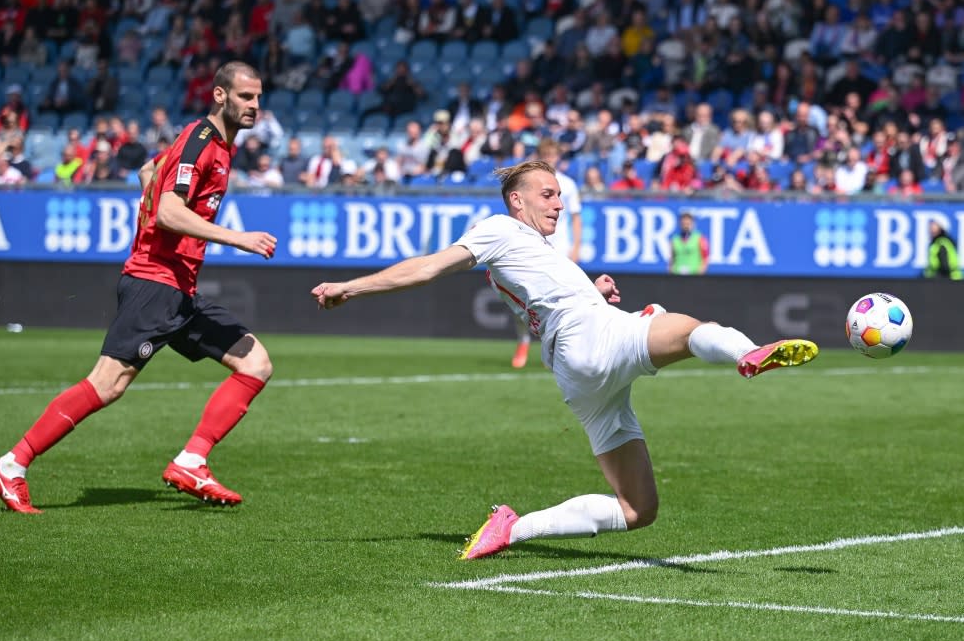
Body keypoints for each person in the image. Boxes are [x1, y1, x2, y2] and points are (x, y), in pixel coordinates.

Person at [311, 160, 818, 559]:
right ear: (517, 200)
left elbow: (542, 299)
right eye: (548, 194)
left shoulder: (537, 248)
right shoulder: (497, 229)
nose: (558, 203)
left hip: (575, 370)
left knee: (638, 510)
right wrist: (351, 287)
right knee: (685, 328)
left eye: (559, 195)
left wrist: (593, 291)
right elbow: (427, 267)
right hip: (586, 339)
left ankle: (510, 529)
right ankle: (746, 352)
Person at [0, 61, 278, 514]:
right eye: (245, 97)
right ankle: (12, 463)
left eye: (258, 97)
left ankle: (192, 459)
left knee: (255, 363)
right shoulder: (202, 143)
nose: (255, 105)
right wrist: (239, 238)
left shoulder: (213, 145)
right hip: (154, 283)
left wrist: (152, 195)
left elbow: (148, 171)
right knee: (107, 384)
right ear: (220, 96)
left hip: (178, 288)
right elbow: (168, 213)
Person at [511, 138, 582, 369]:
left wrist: (576, 247)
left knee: (559, 303)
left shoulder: (568, 185)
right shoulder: (529, 184)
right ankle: (523, 341)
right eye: (546, 155)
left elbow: (575, 218)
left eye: (554, 155)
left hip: (559, 249)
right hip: (533, 247)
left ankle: (551, 348)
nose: (550, 159)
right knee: (524, 299)